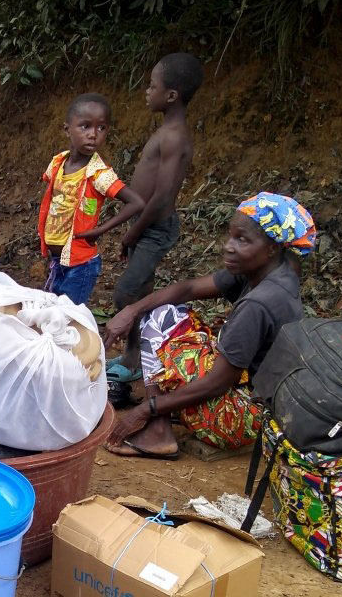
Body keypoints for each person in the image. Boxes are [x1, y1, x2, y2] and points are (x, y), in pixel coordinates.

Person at [102, 193, 316, 459]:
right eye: (231, 235)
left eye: (242, 240)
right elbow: (188, 288)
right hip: (262, 402)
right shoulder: (269, 274)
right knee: (163, 313)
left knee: (158, 320)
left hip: (242, 420)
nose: (228, 246)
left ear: (273, 247)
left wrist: (147, 409)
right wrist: (131, 310)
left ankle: (158, 431)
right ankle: (164, 418)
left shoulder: (259, 304)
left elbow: (216, 384)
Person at [107, 53, 204, 383]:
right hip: (146, 225)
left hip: (154, 227)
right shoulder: (166, 132)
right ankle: (139, 355)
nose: (147, 92)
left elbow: (162, 197)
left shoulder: (174, 137)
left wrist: (132, 233)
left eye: (152, 86)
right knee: (141, 289)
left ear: (172, 95)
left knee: (126, 294)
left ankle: (135, 359)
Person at [37, 93, 145, 305]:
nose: (93, 135)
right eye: (85, 127)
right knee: (53, 314)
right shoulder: (58, 163)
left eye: (101, 128)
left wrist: (100, 230)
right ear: (67, 129)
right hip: (58, 260)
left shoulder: (99, 174)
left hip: (81, 265)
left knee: (68, 318)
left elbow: (136, 202)